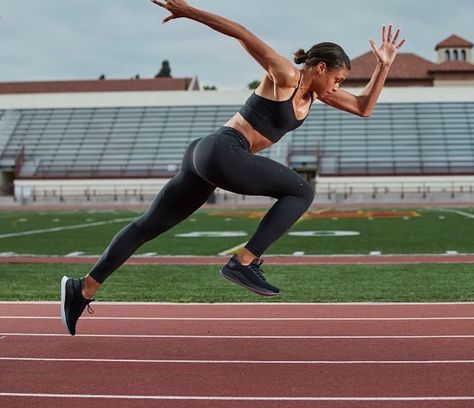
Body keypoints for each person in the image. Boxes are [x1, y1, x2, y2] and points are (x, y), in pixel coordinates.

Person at [61, 0, 405, 335]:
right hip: (224, 149)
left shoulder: (316, 96)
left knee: (147, 226)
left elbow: (364, 107)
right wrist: (189, 11)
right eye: (339, 78)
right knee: (301, 191)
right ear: (320, 68)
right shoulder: (286, 76)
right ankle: (242, 262)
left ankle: (83, 289)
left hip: (205, 155)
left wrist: (384, 65)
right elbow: (242, 33)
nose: (337, 86)